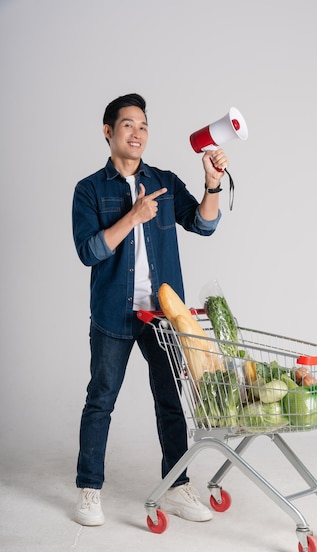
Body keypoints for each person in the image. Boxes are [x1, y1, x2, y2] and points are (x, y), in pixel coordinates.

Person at [72, 93, 228, 526]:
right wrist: (134, 216)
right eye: (127, 125)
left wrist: (212, 183)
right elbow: (89, 251)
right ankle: (89, 489)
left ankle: (177, 487)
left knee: (171, 401)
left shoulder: (163, 180)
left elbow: (204, 223)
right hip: (112, 312)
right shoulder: (88, 190)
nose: (137, 133)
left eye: (143, 125)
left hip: (161, 314)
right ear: (108, 132)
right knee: (100, 400)